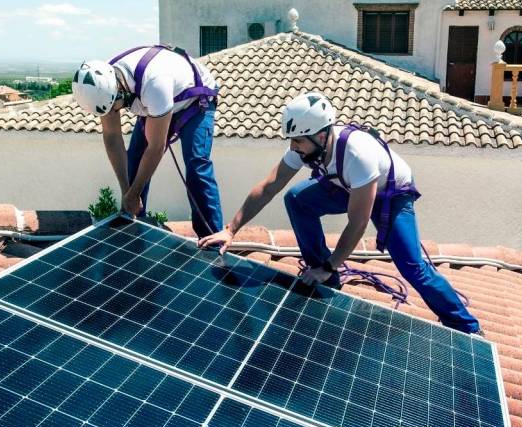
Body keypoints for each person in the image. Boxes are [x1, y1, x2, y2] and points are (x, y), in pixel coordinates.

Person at [199, 91, 480, 334]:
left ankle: (466, 326)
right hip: (345, 185)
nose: (293, 148)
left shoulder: (358, 154)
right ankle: (324, 280)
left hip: (389, 195)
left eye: (298, 142)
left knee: (412, 267)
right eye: (292, 142)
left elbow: (357, 223)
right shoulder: (308, 146)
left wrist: (331, 264)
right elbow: (270, 185)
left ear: (321, 136)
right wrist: (231, 229)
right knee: (296, 199)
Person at [71, 45, 223, 237]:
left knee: (196, 164)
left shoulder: (154, 84)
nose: (113, 112)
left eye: (114, 107)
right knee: (134, 163)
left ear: (121, 90)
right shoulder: (102, 87)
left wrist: (134, 193)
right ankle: (134, 229)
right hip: (159, 104)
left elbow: (155, 147)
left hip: (195, 102)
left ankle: (212, 237)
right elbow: (112, 138)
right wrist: (127, 191)